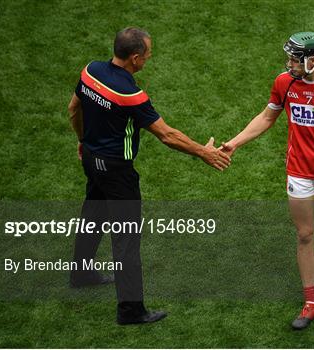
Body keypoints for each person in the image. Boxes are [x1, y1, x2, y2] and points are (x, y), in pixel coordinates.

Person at [68, 27, 231, 325]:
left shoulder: (90, 72)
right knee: (126, 239)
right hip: (117, 171)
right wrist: (203, 152)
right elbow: (167, 135)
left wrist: (83, 141)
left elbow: (73, 108)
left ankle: (80, 273)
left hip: (91, 159)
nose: (149, 58)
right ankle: (130, 310)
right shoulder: (130, 94)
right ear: (134, 58)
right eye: (148, 54)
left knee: (92, 213)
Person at [221, 32, 314, 330]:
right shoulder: (284, 82)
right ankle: (311, 303)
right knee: (304, 234)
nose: (289, 64)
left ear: (313, 60)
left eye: (295, 60)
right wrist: (235, 143)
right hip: (298, 173)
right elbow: (267, 117)